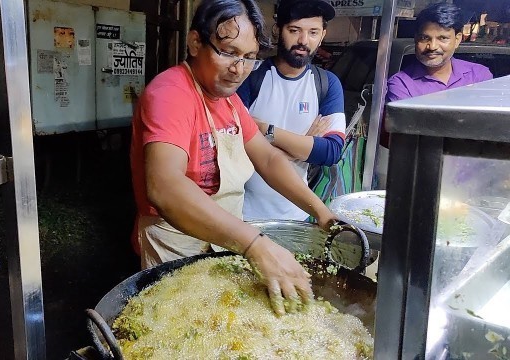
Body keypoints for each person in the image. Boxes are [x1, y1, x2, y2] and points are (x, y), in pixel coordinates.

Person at [130, 0, 336, 315]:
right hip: (175, 244)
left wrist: (322, 213)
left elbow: (267, 158)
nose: (238, 69)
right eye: (228, 52)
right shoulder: (171, 93)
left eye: (249, 57)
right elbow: (165, 185)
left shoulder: (228, 100)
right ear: (196, 42)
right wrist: (255, 245)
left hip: (224, 240)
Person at [237, 0, 346, 221]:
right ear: (278, 30)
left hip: (298, 216)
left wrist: (265, 130)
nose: (304, 41)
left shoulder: (326, 84)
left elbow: (331, 152)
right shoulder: (250, 76)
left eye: (313, 32)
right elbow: (235, 142)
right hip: (243, 215)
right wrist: (304, 144)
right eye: (294, 30)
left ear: (323, 35)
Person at [380, 2, 493, 148]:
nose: (432, 46)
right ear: (416, 39)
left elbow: (489, 130)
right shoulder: (401, 84)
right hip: (425, 167)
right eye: (425, 38)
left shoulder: (479, 76)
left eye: (442, 38)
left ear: (457, 39)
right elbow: (404, 138)